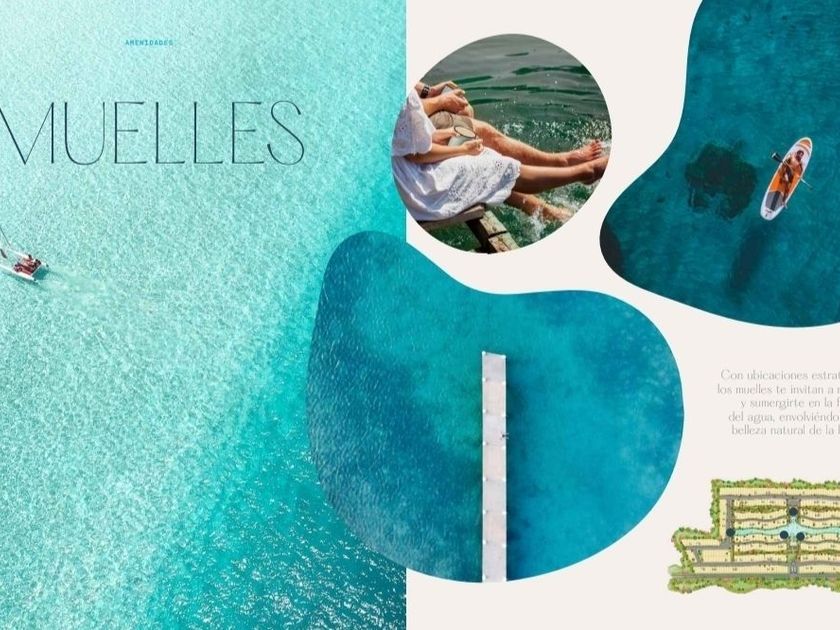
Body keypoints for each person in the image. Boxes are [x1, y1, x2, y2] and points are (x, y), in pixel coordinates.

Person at [392, 90, 608, 223]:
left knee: (485, 152)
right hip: (413, 184)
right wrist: (462, 149)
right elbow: (416, 154)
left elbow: (409, 142)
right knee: (493, 163)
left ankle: (554, 190)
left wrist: (445, 133)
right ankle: (584, 172)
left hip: (407, 164)